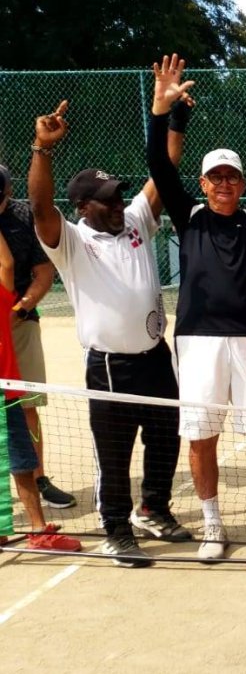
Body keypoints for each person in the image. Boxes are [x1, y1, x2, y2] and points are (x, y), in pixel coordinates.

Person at [145, 54, 246, 558]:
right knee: (201, 434)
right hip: (198, 341)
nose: (223, 184)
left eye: (230, 177)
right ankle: (213, 524)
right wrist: (160, 111)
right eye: (214, 177)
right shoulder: (187, 214)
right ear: (202, 183)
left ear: (240, 183)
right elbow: (157, 165)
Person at [28, 98, 191, 566]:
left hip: (155, 356)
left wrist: (176, 121)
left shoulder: (136, 221)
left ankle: (154, 508)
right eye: (109, 199)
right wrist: (43, 149)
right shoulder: (72, 242)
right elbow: (40, 206)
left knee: (166, 437)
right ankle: (117, 529)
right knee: (114, 452)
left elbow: (163, 171)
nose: (121, 204)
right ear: (83, 206)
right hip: (110, 365)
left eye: (120, 196)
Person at [0, 191, 82, 554]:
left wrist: (19, 308)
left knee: (26, 408)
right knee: (13, 435)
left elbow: (38, 272)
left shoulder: (22, 216)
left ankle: (40, 482)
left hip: (18, 317)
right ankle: (23, 524)